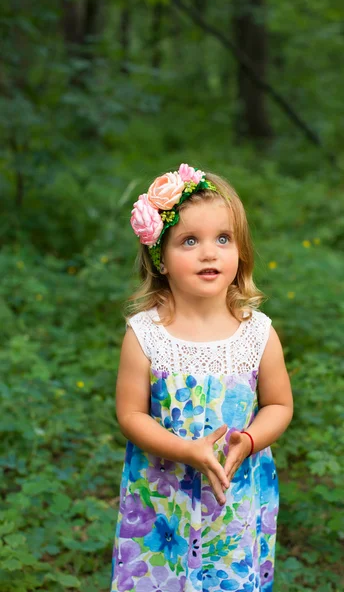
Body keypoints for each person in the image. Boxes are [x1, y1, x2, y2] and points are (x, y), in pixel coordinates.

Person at [110, 163, 293, 592]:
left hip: (235, 496)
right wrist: (185, 450)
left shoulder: (257, 333)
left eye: (223, 239)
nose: (209, 253)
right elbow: (131, 415)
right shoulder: (146, 335)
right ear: (161, 259)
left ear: (240, 252)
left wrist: (248, 441)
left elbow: (279, 404)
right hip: (161, 497)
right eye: (189, 241)